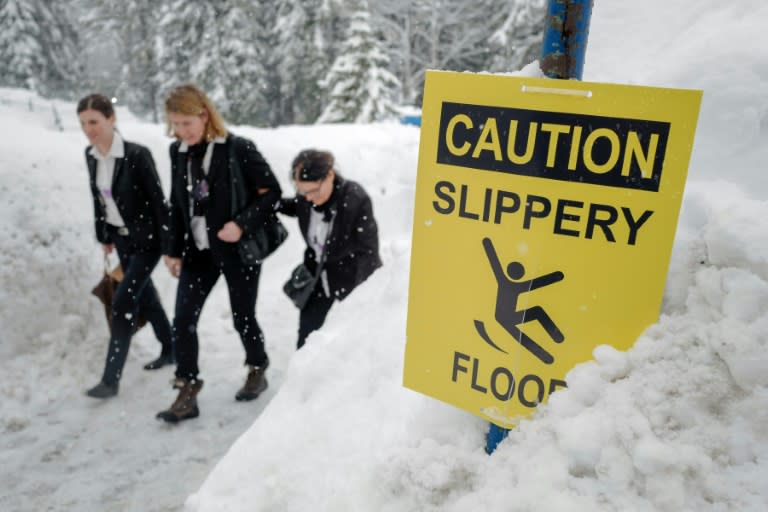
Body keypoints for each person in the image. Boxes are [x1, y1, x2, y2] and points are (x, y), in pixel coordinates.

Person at [157, 84, 281, 423]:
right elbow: (177, 204)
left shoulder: (237, 148)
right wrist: (172, 249)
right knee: (182, 320)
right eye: (175, 125)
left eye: (187, 123)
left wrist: (241, 224)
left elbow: (272, 193)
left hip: (236, 251)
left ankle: (257, 366)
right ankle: (187, 389)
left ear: (204, 114)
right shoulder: (177, 152)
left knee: (243, 317)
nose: (182, 132)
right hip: (197, 252)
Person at [78, 94, 174, 399]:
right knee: (146, 295)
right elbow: (99, 199)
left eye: (94, 121)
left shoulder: (136, 155)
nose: (88, 128)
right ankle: (170, 347)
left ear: (111, 119)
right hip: (120, 239)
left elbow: (160, 203)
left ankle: (110, 379)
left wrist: (170, 246)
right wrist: (104, 235)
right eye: (83, 123)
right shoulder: (91, 155)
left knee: (122, 301)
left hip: (148, 242)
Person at [279, 149, 382, 349]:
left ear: (330, 176)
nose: (308, 198)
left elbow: (368, 250)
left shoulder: (354, 200)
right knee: (307, 339)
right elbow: (296, 207)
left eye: (313, 191)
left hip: (350, 276)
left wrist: (363, 295)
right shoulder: (307, 199)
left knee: (349, 341)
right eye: (303, 192)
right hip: (317, 276)